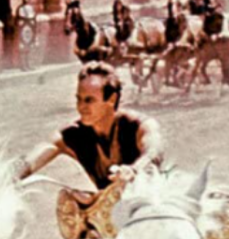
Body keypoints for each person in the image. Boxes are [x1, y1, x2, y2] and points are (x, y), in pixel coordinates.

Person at [15, 61, 164, 197]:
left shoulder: (139, 126)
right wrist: (12, 176)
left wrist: (134, 170)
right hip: (109, 215)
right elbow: (35, 156)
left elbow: (153, 152)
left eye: (89, 100)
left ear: (111, 99)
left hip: (152, 208)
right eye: (78, 99)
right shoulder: (72, 134)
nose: (81, 107)